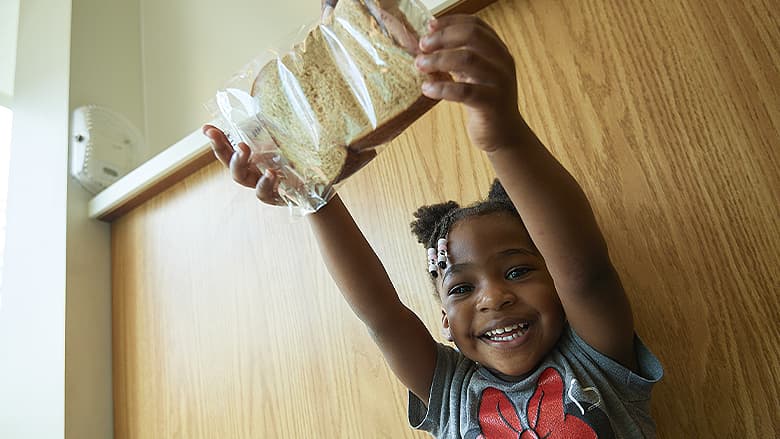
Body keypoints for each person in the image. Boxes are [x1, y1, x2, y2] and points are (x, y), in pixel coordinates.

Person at [203, 10, 663, 439]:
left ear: (556, 285)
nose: (493, 297)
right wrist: (311, 196)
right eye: (461, 288)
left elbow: (585, 271)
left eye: (518, 271)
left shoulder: (596, 361)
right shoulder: (451, 394)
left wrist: (503, 133)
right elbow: (382, 317)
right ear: (443, 320)